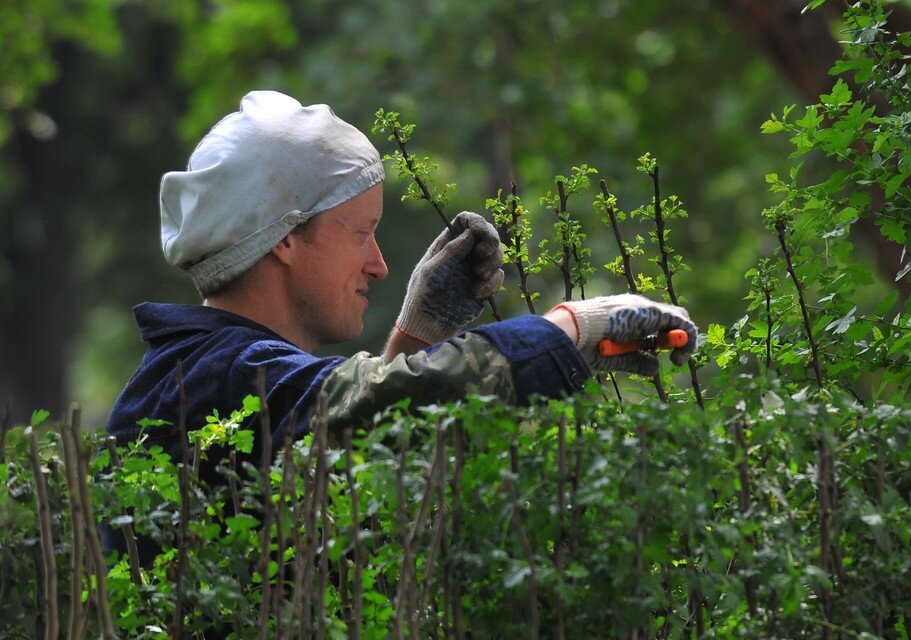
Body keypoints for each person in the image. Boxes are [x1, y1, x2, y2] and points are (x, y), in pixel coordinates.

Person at [103, 90, 698, 562]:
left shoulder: (211, 371)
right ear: (285, 237)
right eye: (360, 232)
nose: (380, 264)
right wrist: (572, 327)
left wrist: (420, 334)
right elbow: (387, 408)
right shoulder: (222, 376)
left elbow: (349, 445)